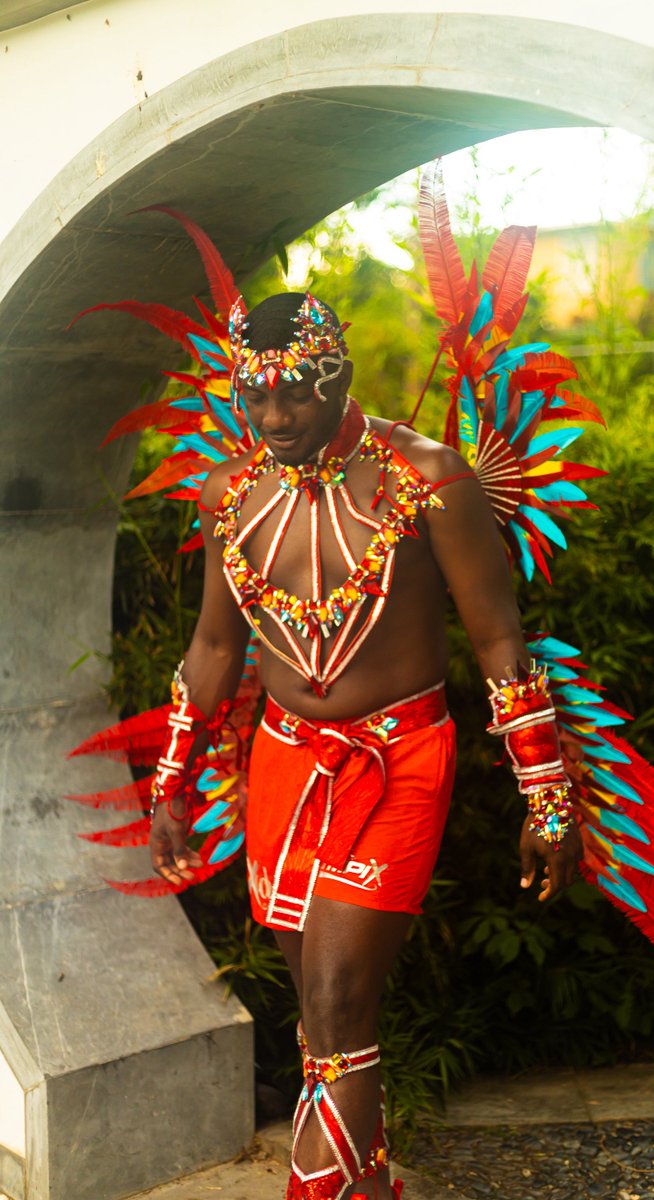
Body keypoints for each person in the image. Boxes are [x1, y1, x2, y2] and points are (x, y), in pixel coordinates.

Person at [146, 290, 583, 1200]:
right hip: (282, 767)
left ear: (338, 372)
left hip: (399, 765)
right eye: (253, 397)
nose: (274, 418)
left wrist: (547, 796)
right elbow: (218, 648)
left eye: (297, 394)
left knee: (342, 1001)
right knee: (319, 1018)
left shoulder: (430, 479)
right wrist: (172, 782)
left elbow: (500, 638)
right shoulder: (231, 495)